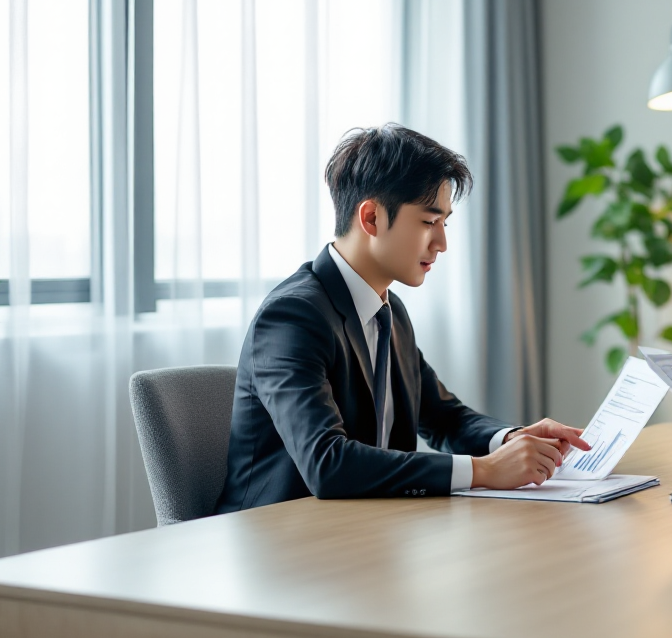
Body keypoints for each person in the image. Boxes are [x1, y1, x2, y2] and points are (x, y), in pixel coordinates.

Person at [215, 124, 587, 514]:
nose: (442, 243)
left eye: (445, 223)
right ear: (372, 218)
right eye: (429, 222)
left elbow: (443, 418)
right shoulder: (292, 316)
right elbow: (327, 463)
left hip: (366, 533)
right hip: (280, 544)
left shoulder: (388, 310)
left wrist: (509, 439)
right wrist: (483, 470)